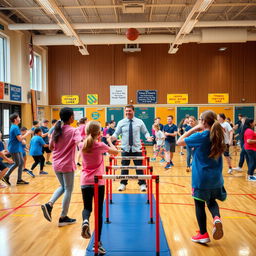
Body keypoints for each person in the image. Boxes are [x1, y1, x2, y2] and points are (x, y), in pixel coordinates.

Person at [177, 110, 226, 244]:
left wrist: (194, 128)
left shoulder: (202, 135)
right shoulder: (218, 135)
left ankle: (203, 234)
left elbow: (179, 141)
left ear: (204, 122)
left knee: (199, 204)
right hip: (216, 178)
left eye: (200, 120)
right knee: (211, 200)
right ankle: (216, 218)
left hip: (201, 178)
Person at [80, 121, 118, 255]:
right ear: (99, 133)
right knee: (98, 212)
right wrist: (108, 141)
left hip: (84, 181)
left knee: (87, 208)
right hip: (98, 182)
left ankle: (85, 221)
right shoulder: (100, 145)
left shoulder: (81, 145)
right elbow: (116, 153)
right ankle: (98, 243)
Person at [41, 107, 82, 226]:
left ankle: (49, 204)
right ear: (71, 117)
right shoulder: (74, 131)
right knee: (68, 189)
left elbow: (51, 147)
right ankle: (63, 217)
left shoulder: (55, 130)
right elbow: (80, 144)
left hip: (56, 164)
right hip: (67, 164)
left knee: (63, 187)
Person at [109, 105, 152, 192]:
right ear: (125, 112)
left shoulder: (139, 122)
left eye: (129, 111)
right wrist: (111, 138)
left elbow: (146, 132)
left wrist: (148, 137)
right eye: (126, 111)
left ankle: (142, 184)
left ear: (133, 111)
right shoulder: (121, 122)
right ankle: (123, 184)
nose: (128, 112)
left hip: (137, 149)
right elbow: (116, 133)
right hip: (125, 149)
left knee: (139, 167)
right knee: (124, 167)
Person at [2, 113, 31, 186]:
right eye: (19, 118)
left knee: (21, 162)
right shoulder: (15, 127)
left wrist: (22, 140)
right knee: (17, 163)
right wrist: (27, 134)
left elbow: (19, 138)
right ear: (15, 120)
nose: (20, 119)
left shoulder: (15, 127)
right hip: (14, 148)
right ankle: (6, 176)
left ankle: (19, 179)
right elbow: (19, 138)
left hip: (17, 147)